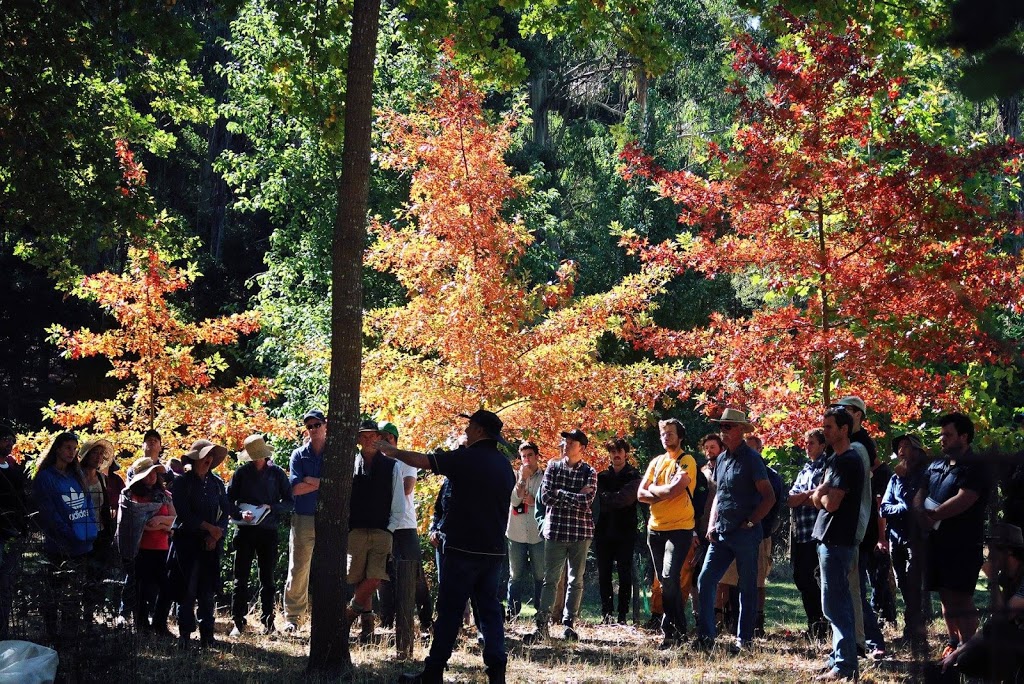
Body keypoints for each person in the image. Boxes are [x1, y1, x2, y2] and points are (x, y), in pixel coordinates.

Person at [378, 409, 515, 684]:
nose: (465, 431)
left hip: (462, 550)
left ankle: (433, 671)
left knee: (450, 612)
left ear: (479, 431)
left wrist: (393, 452)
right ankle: (497, 674)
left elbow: (424, 461)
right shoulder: (504, 466)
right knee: (489, 612)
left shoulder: (465, 459)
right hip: (493, 551)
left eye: (470, 426)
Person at [696, 409, 775, 654]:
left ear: (741, 430)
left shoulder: (752, 459)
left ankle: (745, 641)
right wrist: (711, 524)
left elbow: (769, 497)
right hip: (721, 533)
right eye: (722, 426)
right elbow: (718, 495)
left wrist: (752, 522)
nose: (724, 431)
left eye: (729, 426)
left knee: (747, 587)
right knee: (705, 580)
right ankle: (706, 637)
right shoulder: (721, 459)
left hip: (745, 534)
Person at [914, 412, 990, 660]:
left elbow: (965, 499)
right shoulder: (937, 464)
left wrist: (933, 514)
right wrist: (919, 512)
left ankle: (970, 651)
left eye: (948, 434)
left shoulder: (976, 466)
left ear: (964, 437)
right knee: (945, 595)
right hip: (936, 543)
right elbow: (920, 490)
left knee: (961, 596)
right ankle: (953, 642)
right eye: (941, 434)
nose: (942, 439)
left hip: (963, 544)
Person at [524, 428, 598, 644]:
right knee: (551, 580)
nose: (566, 444)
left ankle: (569, 625)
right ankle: (542, 625)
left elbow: (587, 502)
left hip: (580, 533)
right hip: (555, 531)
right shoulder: (553, 467)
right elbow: (546, 496)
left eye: (572, 442)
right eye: (566, 441)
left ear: (582, 448)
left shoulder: (589, 472)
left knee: (576, 580)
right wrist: (573, 495)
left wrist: (561, 493)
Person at [811, 407, 866, 682]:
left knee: (836, 603)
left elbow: (830, 503)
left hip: (837, 541)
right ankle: (837, 658)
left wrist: (821, 494)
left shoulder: (849, 461)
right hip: (827, 539)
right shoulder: (834, 459)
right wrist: (821, 494)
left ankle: (845, 666)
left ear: (844, 429)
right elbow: (819, 496)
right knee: (831, 603)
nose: (825, 431)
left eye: (829, 427)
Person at [937, 523, 1024, 682]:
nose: (989, 556)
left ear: (1009, 550)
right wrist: (956, 653)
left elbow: (1003, 618)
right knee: (966, 661)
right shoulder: (1009, 579)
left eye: (993, 549)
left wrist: (993, 581)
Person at [32, 432, 99, 640]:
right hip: (58, 546)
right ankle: (52, 635)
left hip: (82, 545)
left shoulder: (76, 475)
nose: (72, 452)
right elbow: (49, 513)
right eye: (68, 447)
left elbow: (87, 505)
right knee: (55, 593)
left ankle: (71, 635)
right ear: (58, 449)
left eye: (74, 448)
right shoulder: (46, 478)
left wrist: (89, 530)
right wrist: (68, 534)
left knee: (75, 594)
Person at [344, 420, 405, 643]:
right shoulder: (350, 465)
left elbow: (399, 501)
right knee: (359, 578)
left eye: (373, 436)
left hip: (382, 530)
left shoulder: (392, 466)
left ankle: (349, 614)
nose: (369, 440)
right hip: (356, 530)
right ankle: (367, 630)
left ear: (379, 439)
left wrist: (390, 528)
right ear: (359, 439)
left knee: (376, 577)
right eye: (364, 436)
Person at [637, 420, 696, 649]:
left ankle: (673, 628)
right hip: (656, 529)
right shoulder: (656, 462)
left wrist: (654, 490)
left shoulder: (686, 460)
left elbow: (675, 490)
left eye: (670, 433)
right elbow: (641, 494)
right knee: (664, 583)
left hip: (680, 528)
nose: (665, 437)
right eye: (663, 434)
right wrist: (659, 491)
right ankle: (675, 633)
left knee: (670, 577)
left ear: (680, 436)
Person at [227, 434, 293, 636]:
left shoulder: (276, 474)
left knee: (267, 579)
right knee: (241, 577)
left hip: (268, 530)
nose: (256, 459)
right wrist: (240, 513)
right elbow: (228, 501)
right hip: (245, 530)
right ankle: (238, 621)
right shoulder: (241, 473)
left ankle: (268, 622)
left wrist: (271, 507)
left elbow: (289, 502)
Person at [168, 439, 229, 649]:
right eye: (205, 456)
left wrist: (215, 535)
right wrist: (208, 528)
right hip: (187, 543)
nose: (209, 460)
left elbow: (225, 511)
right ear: (195, 459)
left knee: (207, 591)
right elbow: (184, 513)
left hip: (210, 545)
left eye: (211, 456)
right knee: (187, 590)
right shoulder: (182, 482)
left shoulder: (217, 483)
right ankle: (184, 635)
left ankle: (207, 635)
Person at [376, 421, 434, 639]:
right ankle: (387, 620)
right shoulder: (375, 462)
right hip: (382, 524)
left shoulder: (405, 460)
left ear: (393, 438)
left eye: (385, 437)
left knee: (415, 573)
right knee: (383, 574)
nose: (381, 441)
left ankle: (427, 620)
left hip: (405, 525)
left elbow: (408, 488)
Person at [880, 433, 930, 654]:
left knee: (913, 583)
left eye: (906, 446)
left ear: (917, 451)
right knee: (902, 582)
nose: (901, 450)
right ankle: (913, 626)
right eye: (899, 446)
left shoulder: (924, 475)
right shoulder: (894, 478)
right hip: (895, 536)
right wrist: (900, 508)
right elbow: (883, 507)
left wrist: (899, 507)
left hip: (916, 538)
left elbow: (913, 506)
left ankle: (915, 630)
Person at [116, 456, 175, 635]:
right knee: (141, 590)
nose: (151, 477)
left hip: (162, 549)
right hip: (140, 549)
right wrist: (163, 524)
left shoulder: (165, 496)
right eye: (147, 474)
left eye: (154, 473)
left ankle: (159, 623)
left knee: (167, 589)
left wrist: (161, 521)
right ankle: (141, 626)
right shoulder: (130, 496)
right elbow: (136, 523)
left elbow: (174, 519)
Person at [283, 409, 326, 633]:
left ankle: (328, 617)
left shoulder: (336, 453)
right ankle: (293, 618)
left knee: (331, 569)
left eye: (317, 425)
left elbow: (343, 485)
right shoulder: (298, 455)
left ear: (325, 425)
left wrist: (311, 480)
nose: (313, 430)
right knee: (298, 568)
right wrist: (323, 482)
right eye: (309, 426)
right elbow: (295, 489)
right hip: (303, 517)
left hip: (331, 520)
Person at [788, 427, 828, 641]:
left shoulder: (827, 467)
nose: (807, 446)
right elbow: (790, 499)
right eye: (805, 442)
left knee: (818, 578)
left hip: (818, 532)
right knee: (801, 576)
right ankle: (814, 621)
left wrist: (804, 497)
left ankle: (824, 623)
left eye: (811, 442)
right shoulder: (805, 469)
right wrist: (808, 495)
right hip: (801, 533)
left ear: (822, 445)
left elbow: (821, 498)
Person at [595, 437, 641, 626]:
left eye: (619, 451)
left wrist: (608, 499)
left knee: (624, 574)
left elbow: (626, 499)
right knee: (604, 574)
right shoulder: (601, 477)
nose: (616, 455)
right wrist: (613, 498)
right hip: (603, 532)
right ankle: (606, 613)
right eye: (613, 451)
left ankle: (622, 615)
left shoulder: (634, 475)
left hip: (625, 532)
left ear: (625, 453)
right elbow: (596, 500)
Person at [506, 441, 545, 621]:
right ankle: (512, 612)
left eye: (530, 455)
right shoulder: (514, 476)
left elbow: (546, 501)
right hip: (516, 532)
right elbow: (514, 501)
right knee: (515, 575)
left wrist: (534, 501)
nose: (527, 459)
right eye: (524, 457)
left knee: (540, 574)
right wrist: (522, 480)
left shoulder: (545, 477)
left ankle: (540, 612)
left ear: (537, 456)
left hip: (538, 534)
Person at [0, 427, 28, 639]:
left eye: (11, 439)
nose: (9, 443)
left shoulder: (13, 468)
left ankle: (2, 632)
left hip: (13, 534)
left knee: (6, 586)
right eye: (4, 439)